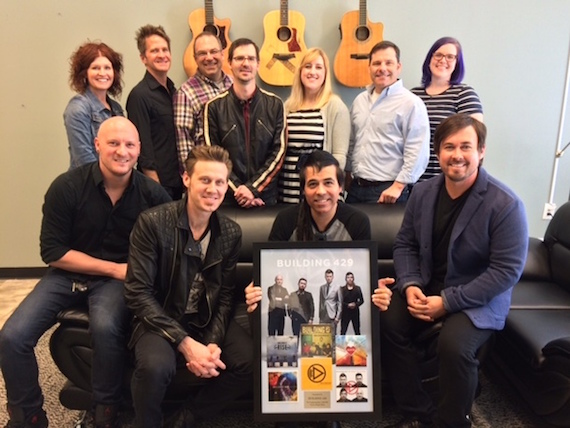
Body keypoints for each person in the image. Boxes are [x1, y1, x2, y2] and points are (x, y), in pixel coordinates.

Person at [0, 117, 171, 428]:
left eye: (129, 145)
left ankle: (104, 411)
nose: (122, 151)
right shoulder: (65, 187)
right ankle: (29, 416)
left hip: (115, 284)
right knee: (12, 337)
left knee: (105, 328)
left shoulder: (154, 196)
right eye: (113, 143)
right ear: (97, 145)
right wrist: (116, 269)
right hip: (68, 274)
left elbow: (165, 250)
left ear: (139, 150)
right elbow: (52, 252)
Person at [381, 114, 528, 428]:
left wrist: (446, 303)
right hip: (425, 285)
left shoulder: (506, 204)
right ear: (438, 152)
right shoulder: (422, 193)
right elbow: (405, 243)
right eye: (449, 146)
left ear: (482, 151)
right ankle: (417, 411)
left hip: (477, 297)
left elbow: (505, 272)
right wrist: (409, 285)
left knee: (453, 346)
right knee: (387, 320)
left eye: (466, 146)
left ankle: (453, 421)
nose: (457, 154)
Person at [244, 150, 395, 428]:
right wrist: (256, 290)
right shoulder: (287, 221)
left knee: (341, 343)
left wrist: (378, 291)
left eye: (328, 182)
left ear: (341, 186)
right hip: (297, 307)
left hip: (332, 311)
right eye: (312, 184)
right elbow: (267, 274)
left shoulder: (357, 222)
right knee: (280, 336)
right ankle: (285, 406)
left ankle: (330, 412)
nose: (321, 191)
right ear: (303, 189)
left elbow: (365, 275)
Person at [124, 145, 253, 428]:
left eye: (220, 182)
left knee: (247, 362)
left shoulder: (230, 232)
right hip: (160, 317)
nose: (213, 189)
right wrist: (185, 344)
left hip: (204, 318)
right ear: (187, 179)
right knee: (155, 367)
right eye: (205, 180)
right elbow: (137, 293)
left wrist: (213, 344)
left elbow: (225, 295)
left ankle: (185, 419)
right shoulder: (153, 222)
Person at [204, 38, 285, 208]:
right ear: (230, 64)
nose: (245, 63)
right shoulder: (213, 108)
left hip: (266, 198)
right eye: (239, 58)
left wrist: (253, 188)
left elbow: (279, 153)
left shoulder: (276, 105)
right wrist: (239, 190)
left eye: (250, 58)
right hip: (226, 198)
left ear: (258, 64)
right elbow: (214, 156)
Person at [345, 40, 429, 204]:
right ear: (369, 67)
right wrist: (347, 173)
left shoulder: (411, 103)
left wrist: (398, 186)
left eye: (388, 63)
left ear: (398, 67)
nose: (382, 68)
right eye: (376, 63)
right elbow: (352, 141)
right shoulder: (359, 100)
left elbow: (418, 151)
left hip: (388, 191)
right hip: (355, 188)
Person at [279, 47, 350, 203]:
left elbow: (339, 156)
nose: (313, 72)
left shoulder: (335, 106)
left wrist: (325, 186)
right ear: (300, 71)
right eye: (308, 66)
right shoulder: (288, 107)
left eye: (319, 67)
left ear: (325, 74)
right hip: (287, 187)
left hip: (319, 191)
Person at [411, 37, 484, 182]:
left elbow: (475, 140)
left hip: (450, 179)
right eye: (438, 55)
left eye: (450, 57)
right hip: (413, 181)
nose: (443, 60)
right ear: (429, 58)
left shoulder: (464, 94)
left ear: (457, 63)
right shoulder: (413, 95)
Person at [126, 24, 183, 200]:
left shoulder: (175, 91)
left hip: (178, 181)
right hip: (158, 185)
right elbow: (143, 147)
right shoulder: (139, 95)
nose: (162, 55)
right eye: (154, 51)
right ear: (143, 58)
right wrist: (154, 186)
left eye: (165, 50)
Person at [174, 32, 233, 172]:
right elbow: (184, 144)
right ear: (195, 58)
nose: (209, 57)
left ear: (222, 54)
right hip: (208, 175)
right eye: (202, 53)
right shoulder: (186, 93)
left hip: (238, 174)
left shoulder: (234, 84)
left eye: (214, 51)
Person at [63, 41, 124, 170]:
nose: (102, 73)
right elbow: (83, 158)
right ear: (85, 73)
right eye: (95, 68)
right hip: (87, 185)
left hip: (114, 184)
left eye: (107, 68)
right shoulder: (77, 108)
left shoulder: (116, 109)